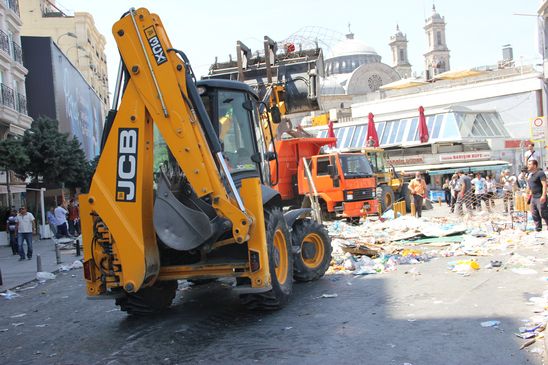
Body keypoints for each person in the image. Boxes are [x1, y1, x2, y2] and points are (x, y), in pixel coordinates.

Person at [527, 159, 548, 231]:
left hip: (540, 196)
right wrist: (528, 195)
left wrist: (543, 195)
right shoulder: (530, 175)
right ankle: (538, 228)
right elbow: (530, 187)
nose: (528, 166)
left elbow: (544, 185)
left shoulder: (540, 173)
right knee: (534, 214)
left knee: (543, 213)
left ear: (534, 165)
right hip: (533, 197)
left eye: (529, 164)